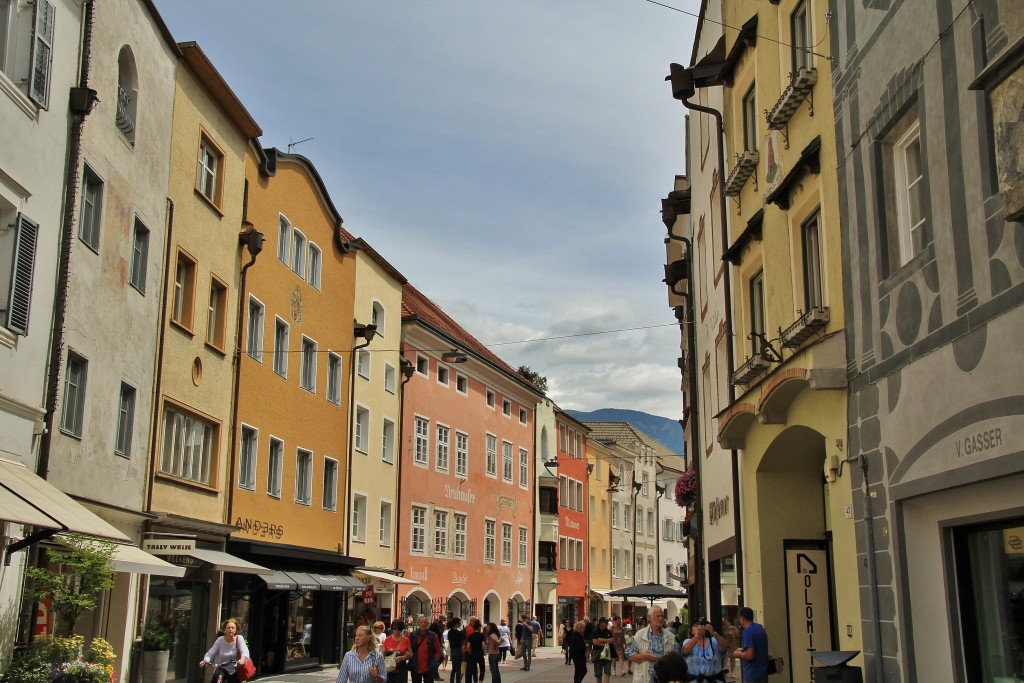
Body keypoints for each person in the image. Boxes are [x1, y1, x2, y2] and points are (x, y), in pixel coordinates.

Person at [626, 607, 678, 683]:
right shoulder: (640, 635)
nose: (660, 619)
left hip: (664, 678)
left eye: (662, 616)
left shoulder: (670, 636)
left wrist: (668, 658)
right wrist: (646, 656)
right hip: (645, 678)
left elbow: (677, 658)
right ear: (649, 618)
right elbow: (631, 656)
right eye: (657, 616)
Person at [200, 618, 251, 682]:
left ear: (236, 630)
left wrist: (242, 660)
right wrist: (206, 660)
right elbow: (211, 652)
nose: (231, 630)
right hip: (222, 668)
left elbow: (244, 651)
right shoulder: (220, 640)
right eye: (228, 628)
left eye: (233, 628)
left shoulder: (239, 638)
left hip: (235, 669)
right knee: (216, 678)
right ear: (224, 630)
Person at [732, 607, 769, 683]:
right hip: (763, 673)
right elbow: (757, 647)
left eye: (739, 618)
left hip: (752, 673)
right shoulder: (760, 628)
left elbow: (750, 655)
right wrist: (743, 649)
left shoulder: (747, 632)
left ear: (742, 618)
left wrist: (738, 654)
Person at [409, 616, 444, 683]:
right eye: (421, 622)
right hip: (415, 667)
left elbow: (438, 651)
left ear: (428, 624)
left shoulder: (433, 636)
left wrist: (434, 662)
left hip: (429, 668)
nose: (423, 624)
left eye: (425, 622)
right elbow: (408, 648)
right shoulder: (412, 635)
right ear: (418, 624)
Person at [383, 619, 413, 683]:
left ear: (401, 629)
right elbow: (382, 654)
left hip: (401, 670)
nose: (396, 630)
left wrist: (403, 657)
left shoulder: (405, 640)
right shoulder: (387, 639)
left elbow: (411, 654)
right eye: (394, 628)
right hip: (389, 670)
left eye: (399, 629)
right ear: (392, 628)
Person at [591, 616, 615, 683]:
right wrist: (606, 643)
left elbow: (612, 640)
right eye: (605, 622)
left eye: (607, 622)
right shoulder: (595, 631)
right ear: (601, 623)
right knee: (598, 675)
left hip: (607, 654)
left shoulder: (608, 632)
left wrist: (601, 640)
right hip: (597, 654)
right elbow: (595, 642)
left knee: (607, 673)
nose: (607, 624)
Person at [447, 618, 466, 683]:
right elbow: (463, 642)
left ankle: (451, 681)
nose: (461, 624)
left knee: (453, 668)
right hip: (458, 650)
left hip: (452, 650)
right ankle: (458, 681)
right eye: (460, 622)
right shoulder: (459, 633)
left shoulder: (449, 632)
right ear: (456, 624)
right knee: (458, 669)